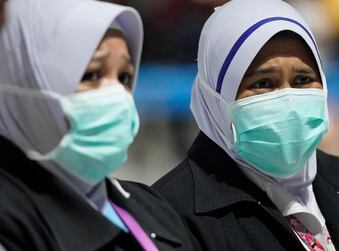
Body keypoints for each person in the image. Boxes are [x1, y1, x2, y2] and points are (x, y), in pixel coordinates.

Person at [152, 0, 339, 250]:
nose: (289, 101)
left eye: (303, 79)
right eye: (263, 84)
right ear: (217, 97)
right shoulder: (171, 218)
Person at [0, 0, 194, 250]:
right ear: (25, 82)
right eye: (91, 75)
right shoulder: (11, 220)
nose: (117, 94)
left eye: (124, 77)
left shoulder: (151, 206)